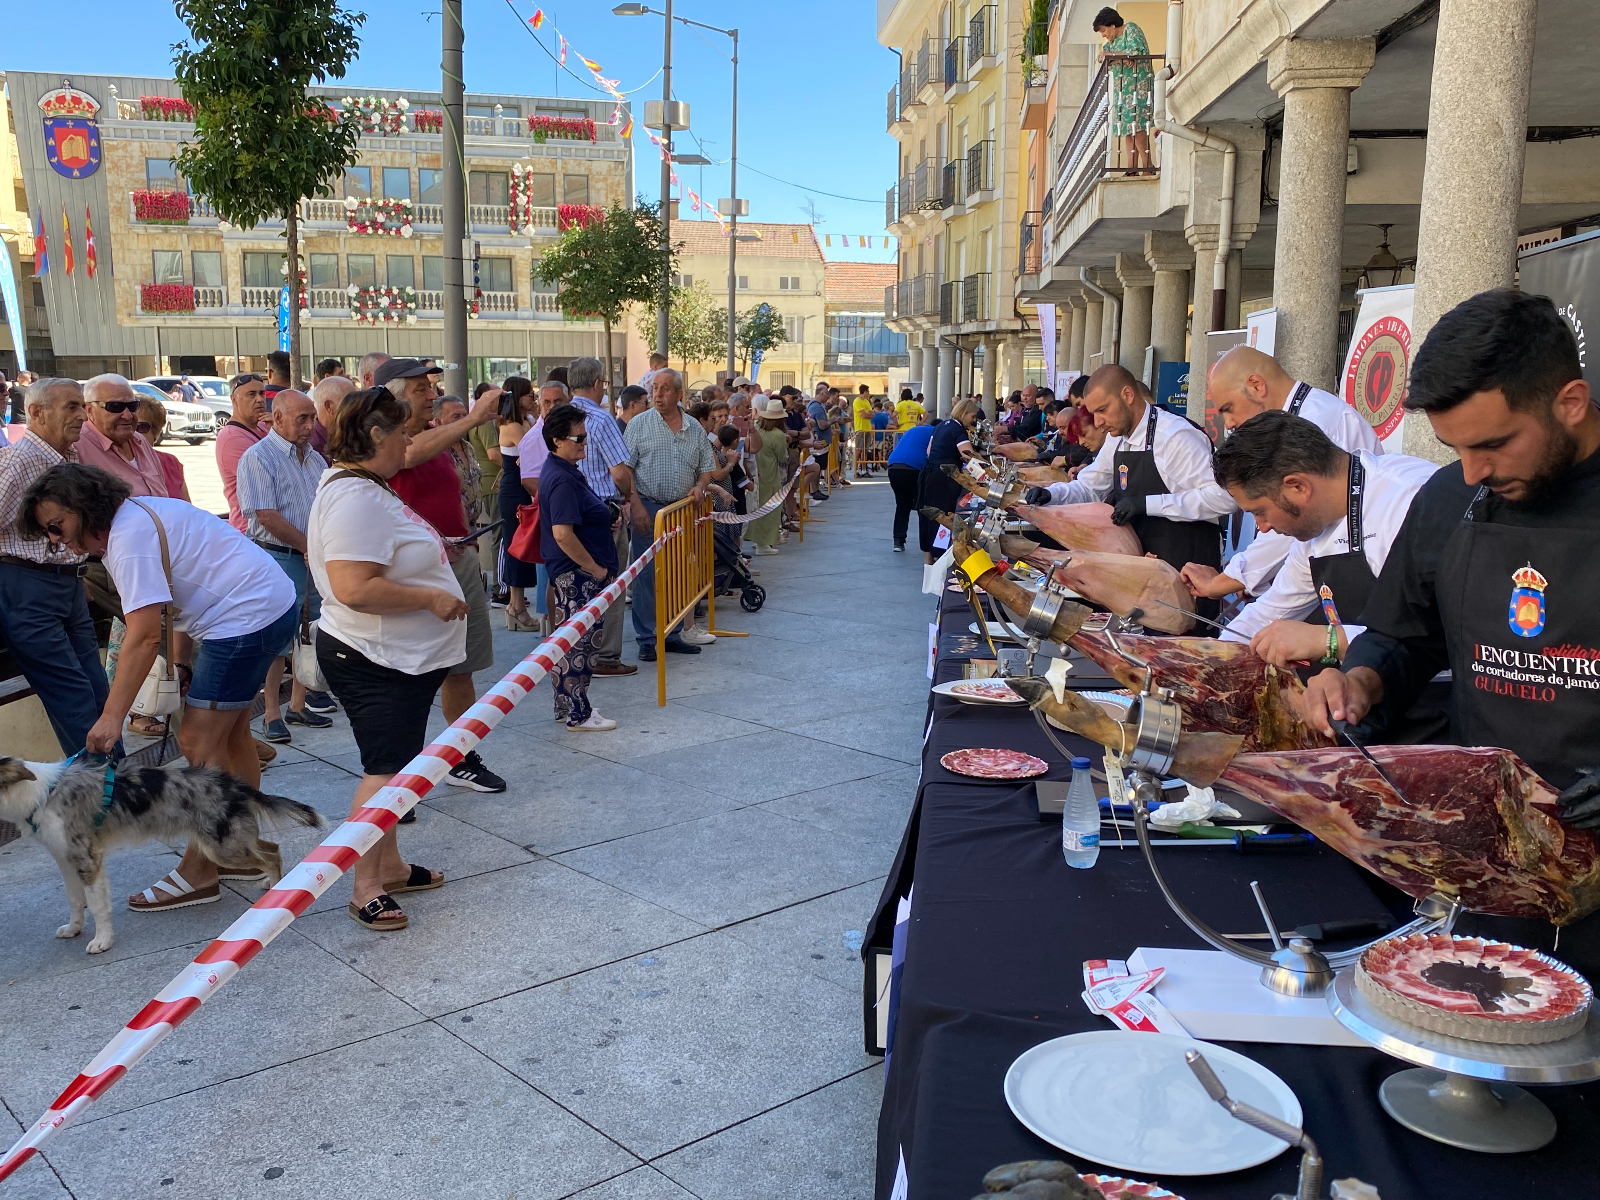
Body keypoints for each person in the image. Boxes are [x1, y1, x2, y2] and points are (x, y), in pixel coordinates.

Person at [1302, 290, 1600, 828]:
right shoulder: (1447, 498)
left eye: (1494, 444)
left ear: (1571, 403)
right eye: (1454, 448)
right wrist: (1359, 680)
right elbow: (1405, 636)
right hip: (1490, 825)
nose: (1472, 472)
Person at [24, 462, 298, 911]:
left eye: (57, 526)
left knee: (197, 741)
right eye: (47, 532)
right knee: (231, 739)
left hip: (246, 620)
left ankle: (201, 871)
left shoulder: (127, 541)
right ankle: (236, 848)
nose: (56, 539)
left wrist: (112, 718)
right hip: (266, 605)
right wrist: (182, 661)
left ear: (85, 507)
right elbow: (179, 598)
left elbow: (145, 635)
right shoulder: (136, 515)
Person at [308, 386, 464, 930]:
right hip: (375, 657)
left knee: (396, 769)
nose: (410, 442)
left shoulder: (364, 487)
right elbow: (353, 586)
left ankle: (390, 866)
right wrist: (430, 598)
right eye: (403, 432)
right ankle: (365, 886)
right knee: (384, 773)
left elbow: (384, 553)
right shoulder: (356, 496)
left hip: (397, 657)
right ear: (376, 435)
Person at [1212, 412, 1438, 674]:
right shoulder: (1313, 532)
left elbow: (1437, 633)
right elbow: (1269, 612)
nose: (1262, 527)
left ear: (1298, 487)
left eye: (1260, 511)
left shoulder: (1408, 500)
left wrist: (1328, 639)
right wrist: (1209, 661)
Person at [381, 358, 508, 794]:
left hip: (457, 561)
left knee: (462, 667)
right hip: (415, 574)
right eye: (421, 388)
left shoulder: (438, 436)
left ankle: (460, 756)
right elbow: (408, 455)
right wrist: (472, 419)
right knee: (409, 677)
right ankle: (394, 774)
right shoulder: (388, 441)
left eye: (431, 386)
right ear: (394, 397)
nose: (432, 395)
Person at [1182, 345, 1384, 605]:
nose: (1229, 423)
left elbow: (1295, 518)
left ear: (1256, 385)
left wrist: (1228, 580)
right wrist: (1254, 575)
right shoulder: (1298, 420)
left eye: (1229, 408)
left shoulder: (1321, 420)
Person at [1025, 364, 1228, 589]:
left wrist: (1147, 504)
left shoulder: (1175, 436)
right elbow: (1090, 487)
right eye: (1094, 414)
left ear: (1128, 395)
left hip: (1188, 569)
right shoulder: (1117, 439)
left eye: (1103, 410)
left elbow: (1222, 497)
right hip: (1142, 569)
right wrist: (1051, 495)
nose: (1098, 422)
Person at [0, 378, 109, 753]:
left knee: (96, 688)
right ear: (36, 412)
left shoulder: (67, 456)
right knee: (73, 695)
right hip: (28, 588)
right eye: (71, 407)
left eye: (82, 406)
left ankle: (118, 777)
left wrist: (75, 570)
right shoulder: (22, 460)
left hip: (67, 585)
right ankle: (103, 783)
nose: (83, 416)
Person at [236, 388, 335, 742]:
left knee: (309, 632)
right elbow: (266, 514)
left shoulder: (315, 459)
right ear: (277, 418)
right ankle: (271, 714)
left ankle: (298, 704)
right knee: (277, 638)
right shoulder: (258, 457)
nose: (310, 426)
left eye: (313, 418)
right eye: (302, 419)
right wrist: (307, 545)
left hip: (310, 556)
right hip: (277, 555)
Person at [538, 403, 620, 732]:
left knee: (573, 643)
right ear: (558, 440)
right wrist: (595, 569)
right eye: (579, 438)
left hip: (577, 571)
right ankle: (578, 712)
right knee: (579, 645)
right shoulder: (561, 478)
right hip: (578, 575)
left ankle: (569, 705)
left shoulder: (565, 471)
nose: (585, 443)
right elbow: (562, 534)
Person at [625, 369, 716, 661]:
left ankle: (673, 633)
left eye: (665, 389)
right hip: (649, 508)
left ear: (679, 394)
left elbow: (706, 468)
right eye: (655, 388)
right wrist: (636, 507)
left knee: (678, 572)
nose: (658, 394)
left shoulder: (694, 428)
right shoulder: (639, 425)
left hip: (682, 510)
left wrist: (700, 486)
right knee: (647, 576)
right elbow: (626, 470)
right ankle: (647, 638)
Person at [566, 357, 640, 676]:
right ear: (597, 384)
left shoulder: (558, 416)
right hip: (604, 513)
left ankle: (576, 650)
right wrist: (629, 498)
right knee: (610, 585)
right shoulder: (600, 418)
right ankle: (605, 655)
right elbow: (620, 472)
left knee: (576, 586)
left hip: (569, 513)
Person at [495, 376, 540, 630]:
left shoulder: (527, 420)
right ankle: (516, 606)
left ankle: (516, 604)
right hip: (514, 490)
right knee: (516, 546)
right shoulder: (512, 425)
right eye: (529, 394)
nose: (533, 398)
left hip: (524, 487)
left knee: (524, 546)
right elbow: (536, 449)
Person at [76, 374, 168, 498]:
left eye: (132, 406)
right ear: (89, 410)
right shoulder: (77, 446)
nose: (127, 415)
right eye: (115, 407)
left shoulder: (140, 440)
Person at [916, 398, 982, 563]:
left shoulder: (941, 425)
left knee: (927, 515)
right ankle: (939, 555)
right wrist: (984, 469)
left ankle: (928, 557)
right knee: (944, 517)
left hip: (928, 473)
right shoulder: (958, 430)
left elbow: (929, 450)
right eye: (972, 416)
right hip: (944, 478)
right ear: (964, 413)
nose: (973, 420)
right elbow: (968, 455)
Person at [1094, 7, 1155, 174]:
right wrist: (1118, 56)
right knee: (1128, 130)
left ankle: (1147, 165)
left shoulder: (1130, 29)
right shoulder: (1112, 43)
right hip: (1123, 91)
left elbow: (1134, 52)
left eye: (1104, 30)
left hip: (1138, 87)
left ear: (1112, 25)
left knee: (1138, 127)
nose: (1104, 35)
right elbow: (1102, 58)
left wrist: (1116, 56)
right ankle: (1131, 168)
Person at [217, 372, 269, 531]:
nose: (259, 399)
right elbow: (270, 477)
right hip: (251, 531)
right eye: (251, 394)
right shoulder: (233, 438)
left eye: (261, 393)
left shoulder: (263, 426)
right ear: (234, 400)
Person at [745, 397, 790, 556]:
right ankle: (763, 543)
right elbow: (782, 457)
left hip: (754, 472)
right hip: (770, 474)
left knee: (756, 507)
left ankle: (757, 539)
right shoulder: (778, 435)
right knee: (770, 510)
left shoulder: (756, 428)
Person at [888, 412, 936, 553]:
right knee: (923, 505)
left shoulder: (914, 429)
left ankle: (898, 541)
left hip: (894, 465)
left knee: (902, 505)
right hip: (914, 468)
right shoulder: (935, 432)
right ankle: (926, 542)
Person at [135, 398, 191, 502]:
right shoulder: (111, 463)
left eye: (140, 427)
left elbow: (187, 508)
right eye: (126, 426)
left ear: (156, 432)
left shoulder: (170, 462)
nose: (133, 433)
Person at [309, 373, 354, 460]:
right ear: (329, 406)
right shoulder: (311, 449)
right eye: (350, 402)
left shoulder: (351, 434)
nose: (358, 407)